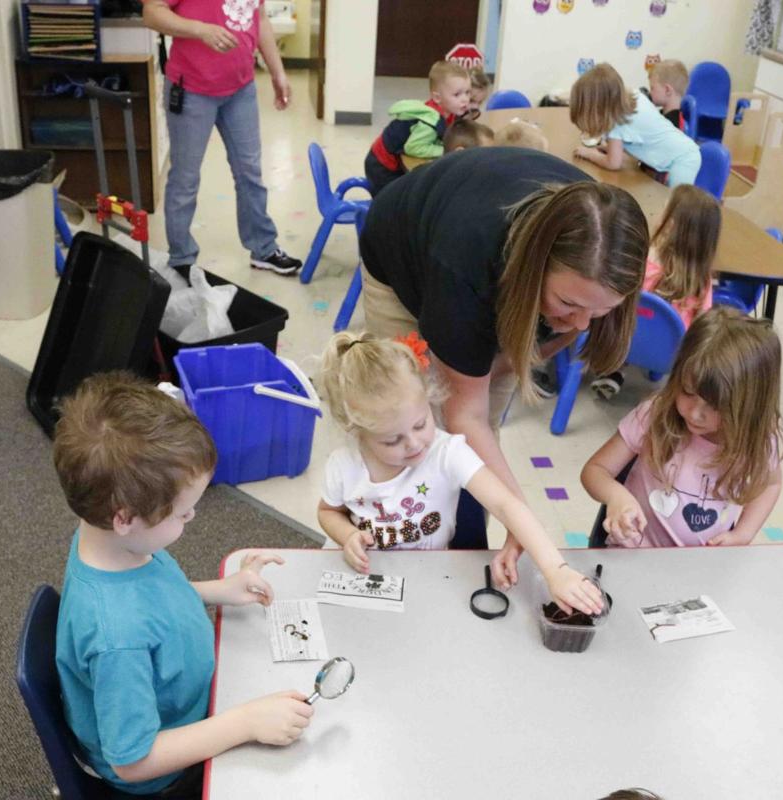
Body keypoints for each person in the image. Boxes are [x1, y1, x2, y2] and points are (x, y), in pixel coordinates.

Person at [358, 146, 649, 583]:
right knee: (407, 429)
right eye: (568, 303)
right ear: (535, 269)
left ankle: (466, 545)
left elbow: (485, 409)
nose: (583, 324)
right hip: (405, 252)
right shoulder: (467, 262)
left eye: (602, 310)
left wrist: (512, 515)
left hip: (490, 280)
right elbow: (463, 413)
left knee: (475, 435)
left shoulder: (598, 256)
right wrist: (526, 523)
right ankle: (396, 553)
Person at [53, 373, 313, 797]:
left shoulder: (107, 542)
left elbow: (151, 598)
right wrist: (245, 724)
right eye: (182, 513)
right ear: (125, 518)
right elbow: (134, 760)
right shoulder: (117, 639)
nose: (191, 519)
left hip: (187, 700)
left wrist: (216, 590)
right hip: (165, 774)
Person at [315, 331, 605, 617]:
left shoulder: (447, 452)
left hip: (428, 579)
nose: (415, 444)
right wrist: (348, 535)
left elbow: (507, 504)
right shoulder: (344, 465)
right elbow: (328, 512)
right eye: (392, 440)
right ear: (357, 432)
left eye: (420, 424)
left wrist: (557, 571)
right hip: (362, 581)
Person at [581, 307, 783, 547]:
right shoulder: (655, 414)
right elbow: (595, 470)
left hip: (700, 569)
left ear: (750, 405)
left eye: (716, 405)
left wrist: (744, 532)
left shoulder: (759, 439)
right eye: (688, 392)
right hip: (632, 557)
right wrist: (616, 496)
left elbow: (770, 484)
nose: (695, 413)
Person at [141, 0, 303, 276]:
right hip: (191, 88)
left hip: (241, 88)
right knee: (185, 178)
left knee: (250, 172)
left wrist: (278, 72)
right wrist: (200, 30)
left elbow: (259, 17)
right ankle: (181, 258)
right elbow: (152, 12)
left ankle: (263, 248)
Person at [591, 184, 720, 400]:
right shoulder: (702, 281)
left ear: (669, 224)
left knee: (629, 312)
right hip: (670, 356)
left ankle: (614, 367)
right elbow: (702, 323)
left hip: (620, 339)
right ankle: (623, 371)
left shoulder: (643, 259)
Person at [571, 63, 701, 187]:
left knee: (677, 201)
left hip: (683, 159)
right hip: (683, 152)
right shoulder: (636, 97)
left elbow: (613, 163)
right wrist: (609, 148)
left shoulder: (618, 123)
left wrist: (588, 154)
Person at [363, 60, 472, 195]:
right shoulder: (429, 123)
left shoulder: (447, 111)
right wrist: (445, 150)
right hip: (382, 165)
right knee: (395, 201)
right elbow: (413, 147)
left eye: (467, 92)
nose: (465, 99)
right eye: (457, 94)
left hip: (387, 159)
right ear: (437, 98)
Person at [649, 59, 689, 131]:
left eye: (652, 88)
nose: (650, 92)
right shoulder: (661, 116)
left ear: (667, 90)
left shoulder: (670, 125)